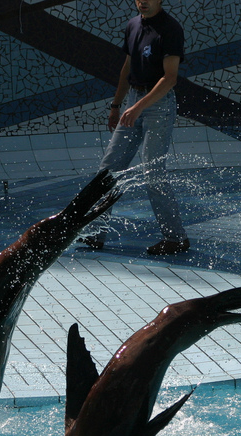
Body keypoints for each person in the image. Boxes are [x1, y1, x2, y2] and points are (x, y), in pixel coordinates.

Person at [82, 0, 189, 256]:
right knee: (108, 170)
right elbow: (127, 68)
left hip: (158, 105)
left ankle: (176, 238)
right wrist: (116, 105)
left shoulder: (170, 28)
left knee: (153, 172)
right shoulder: (132, 25)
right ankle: (96, 232)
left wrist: (138, 107)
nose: (143, 1)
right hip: (133, 101)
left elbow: (170, 78)